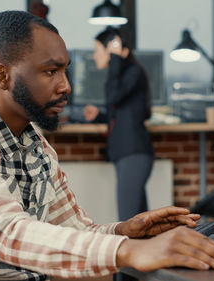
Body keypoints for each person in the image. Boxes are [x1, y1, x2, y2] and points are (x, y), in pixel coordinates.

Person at [0, 11, 214, 280]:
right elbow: (7, 233)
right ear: (2, 76)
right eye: (51, 71)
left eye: (65, 71)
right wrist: (132, 251)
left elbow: (77, 230)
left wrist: (127, 232)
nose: (66, 86)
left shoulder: (39, 148)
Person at [84, 27, 154, 222]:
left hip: (134, 155)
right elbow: (121, 114)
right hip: (128, 155)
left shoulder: (132, 72)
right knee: (140, 223)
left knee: (128, 223)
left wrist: (114, 58)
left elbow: (114, 97)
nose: (95, 55)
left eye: (98, 50)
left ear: (111, 49)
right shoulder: (125, 74)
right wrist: (99, 116)